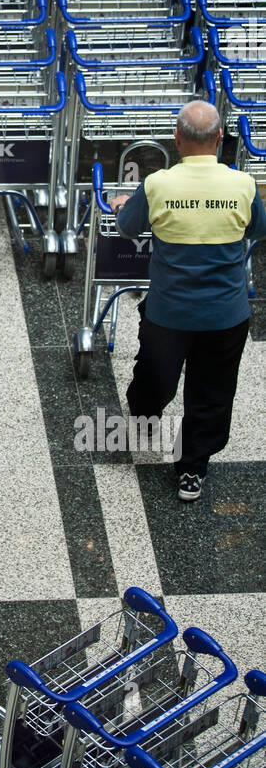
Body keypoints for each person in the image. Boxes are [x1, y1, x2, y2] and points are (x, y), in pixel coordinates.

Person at [110, 100, 266, 502]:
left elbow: (128, 228)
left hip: (169, 312)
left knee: (153, 375)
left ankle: (145, 417)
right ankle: (192, 470)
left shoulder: (158, 184)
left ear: (177, 139)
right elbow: (257, 230)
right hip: (225, 315)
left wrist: (122, 205)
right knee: (212, 392)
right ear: (219, 139)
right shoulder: (242, 185)